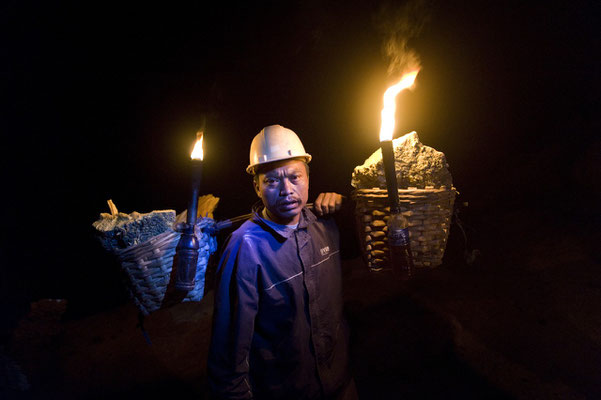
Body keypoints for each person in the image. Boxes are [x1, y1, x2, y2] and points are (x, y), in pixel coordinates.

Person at [208, 125, 358, 399]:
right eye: (272, 181)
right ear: (256, 186)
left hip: (341, 382)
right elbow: (228, 350)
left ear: (309, 178)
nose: (287, 190)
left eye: (295, 177)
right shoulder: (244, 249)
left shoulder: (326, 225)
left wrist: (345, 202)